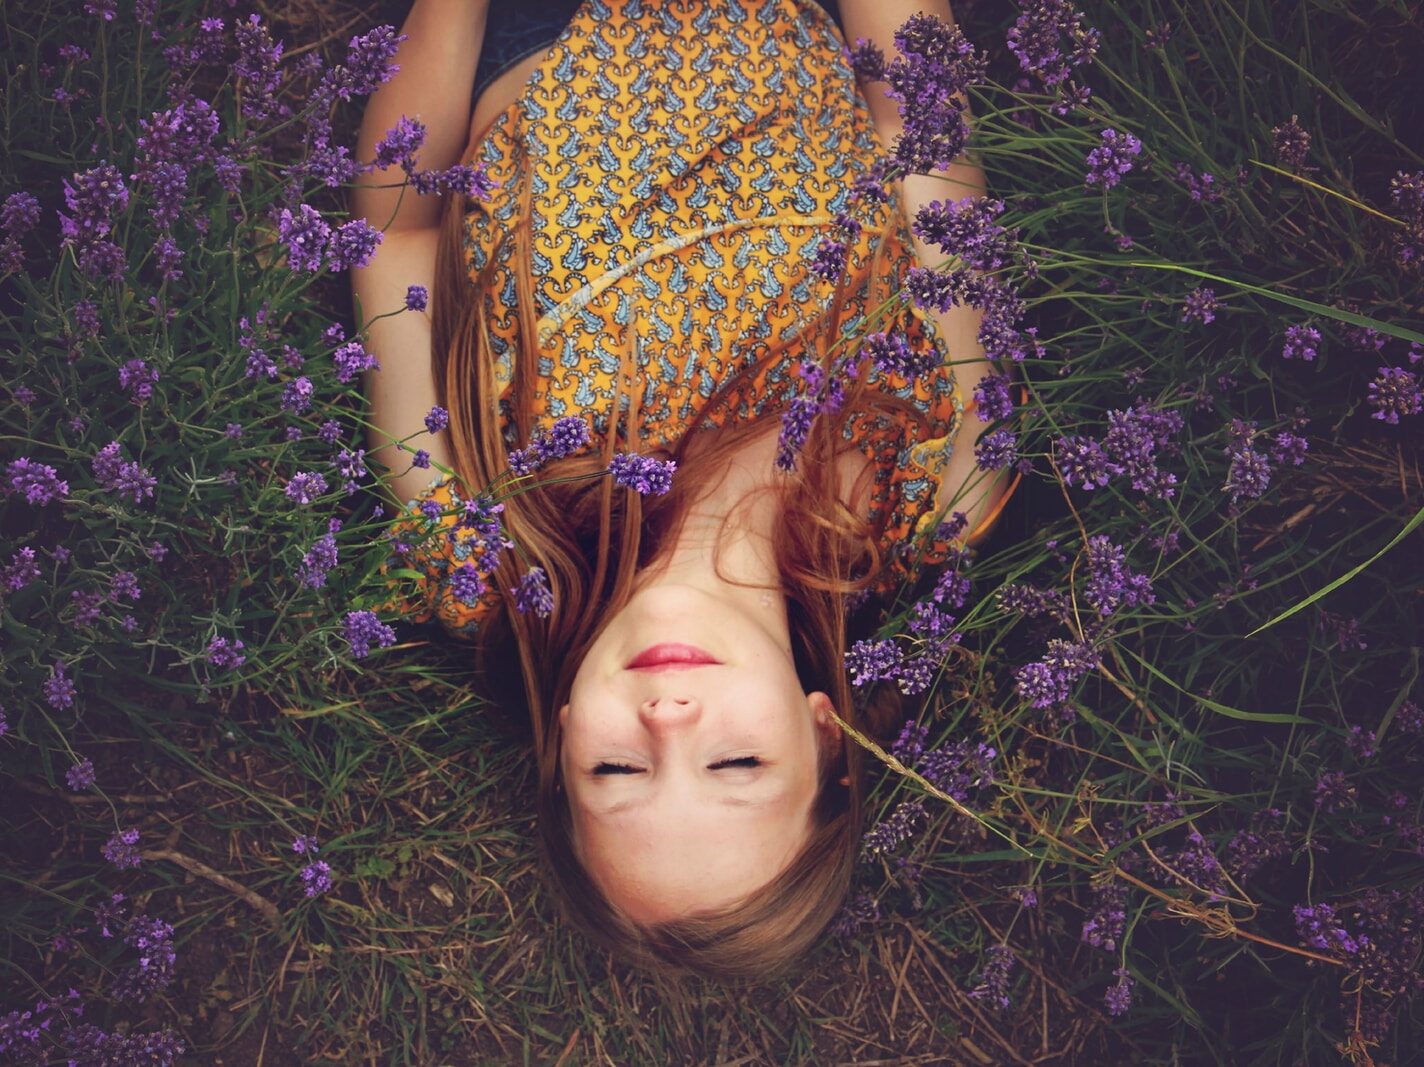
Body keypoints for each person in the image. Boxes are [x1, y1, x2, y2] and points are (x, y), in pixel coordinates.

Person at [350, 0, 1024, 982]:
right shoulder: (934, 491)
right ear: (823, 734)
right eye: (735, 764)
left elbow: (395, 237)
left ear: (561, 748)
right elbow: (920, 138)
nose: (668, 719)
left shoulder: (478, 557)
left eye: (617, 769)